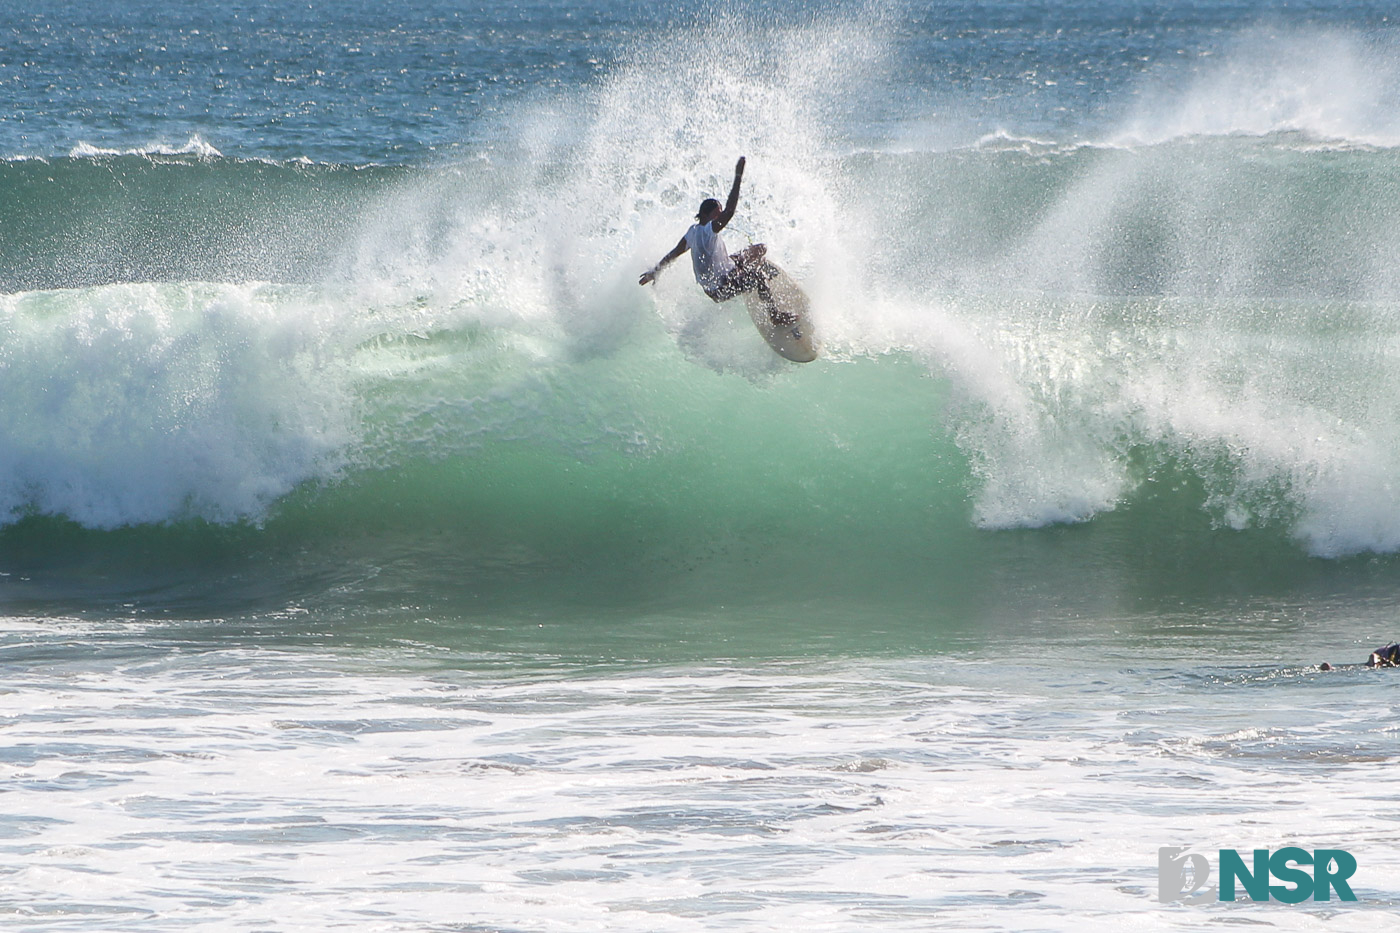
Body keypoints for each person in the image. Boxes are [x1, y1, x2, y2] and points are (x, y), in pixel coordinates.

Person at [639, 157, 777, 310]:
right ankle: (775, 314)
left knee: (760, 249)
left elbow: (674, 253)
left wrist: (655, 271)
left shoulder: (693, 231)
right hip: (721, 288)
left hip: (724, 273)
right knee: (758, 275)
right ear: (704, 215)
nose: (719, 218)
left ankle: (754, 277)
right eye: (716, 214)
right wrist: (738, 177)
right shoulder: (707, 231)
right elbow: (730, 212)